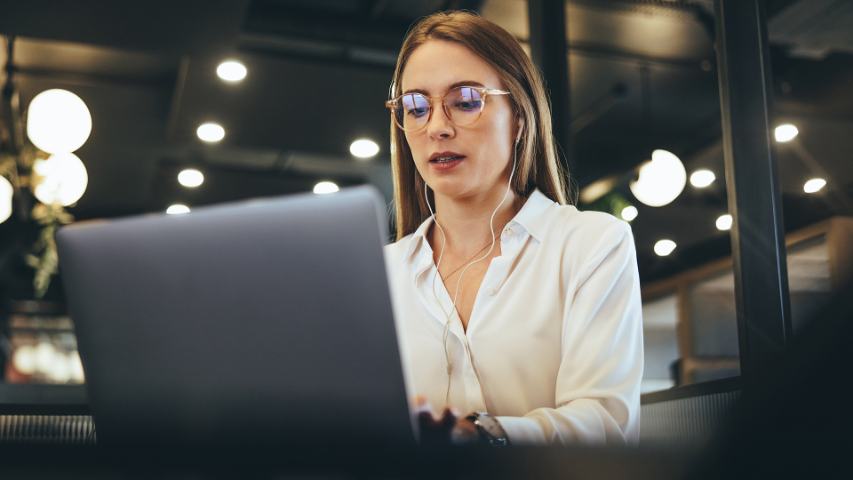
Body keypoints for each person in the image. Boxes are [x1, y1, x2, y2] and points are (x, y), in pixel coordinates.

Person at [383, 11, 643, 446]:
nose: (438, 127)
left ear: (519, 118)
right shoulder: (380, 272)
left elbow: (606, 423)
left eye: (466, 101)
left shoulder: (589, 245)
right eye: (416, 107)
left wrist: (482, 433)